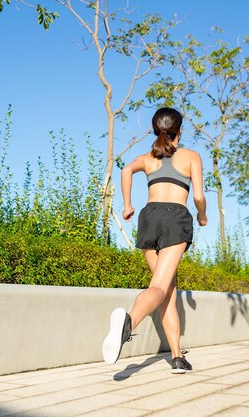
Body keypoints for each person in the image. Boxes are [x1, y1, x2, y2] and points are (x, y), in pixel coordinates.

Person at [102, 107, 208, 374]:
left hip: (149, 217)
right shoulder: (191, 156)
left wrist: (127, 205)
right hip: (175, 218)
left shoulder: (148, 158)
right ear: (179, 131)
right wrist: (203, 215)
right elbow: (197, 196)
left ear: (155, 129)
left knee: (166, 290)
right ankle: (129, 322)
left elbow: (126, 171)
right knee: (160, 287)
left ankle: (176, 356)